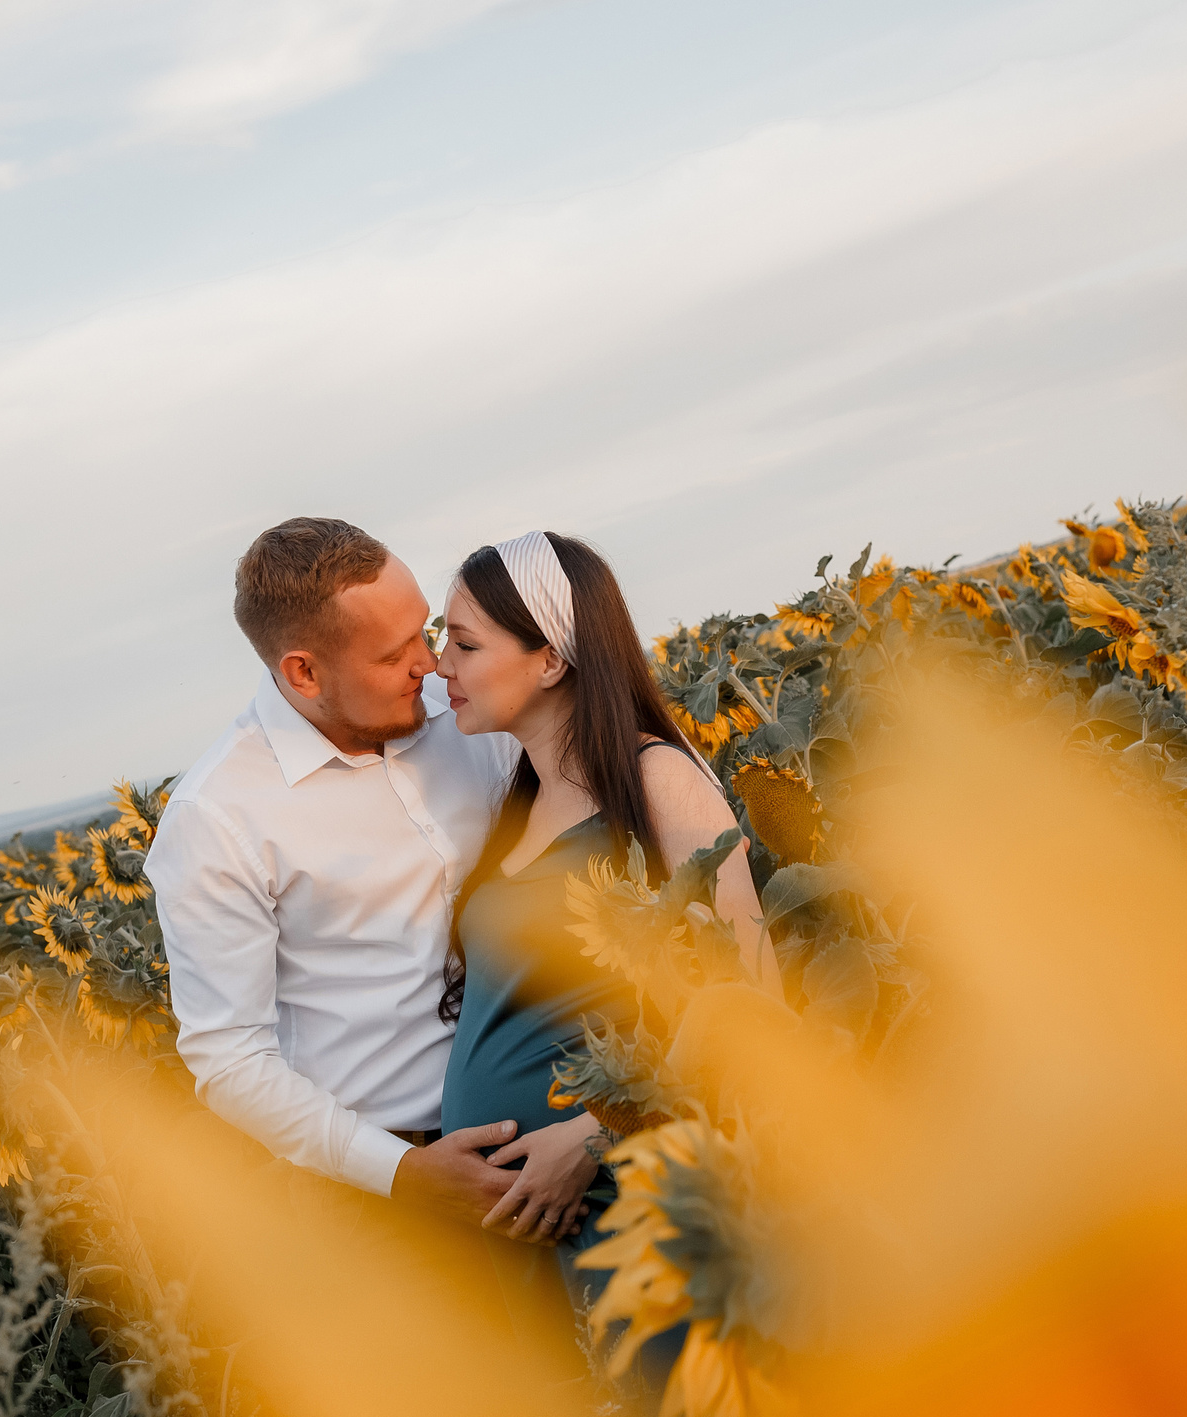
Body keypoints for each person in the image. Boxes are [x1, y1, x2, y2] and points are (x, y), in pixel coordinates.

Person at [145, 516, 601, 1228]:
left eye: (427, 630)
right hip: (392, 1202)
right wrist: (400, 1173)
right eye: (396, 653)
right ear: (303, 671)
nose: (431, 664)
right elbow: (228, 1056)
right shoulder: (219, 817)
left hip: (565, 1142)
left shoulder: (467, 718)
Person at [432, 531, 776, 1365]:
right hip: (527, 1219)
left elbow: (754, 1002)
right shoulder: (519, 802)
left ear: (550, 659)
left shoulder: (656, 778)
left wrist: (593, 1136)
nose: (439, 663)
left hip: (626, 1195)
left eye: (465, 642)